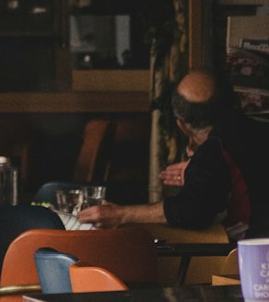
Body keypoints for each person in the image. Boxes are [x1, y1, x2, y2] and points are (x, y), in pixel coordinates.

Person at [80, 68, 269, 240]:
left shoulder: (213, 151)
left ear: (182, 125)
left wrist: (120, 214)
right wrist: (197, 173)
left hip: (255, 256)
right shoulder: (258, 131)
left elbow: (192, 211)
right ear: (234, 102)